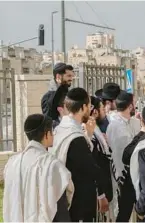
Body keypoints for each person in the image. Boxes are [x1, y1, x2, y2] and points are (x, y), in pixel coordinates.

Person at [50, 87, 109, 222]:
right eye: (89, 106)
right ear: (83, 107)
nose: (90, 109)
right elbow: (90, 167)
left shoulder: (60, 129)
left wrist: (88, 135)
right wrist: (102, 194)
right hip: (78, 200)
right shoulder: (75, 136)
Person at [3, 114, 73, 222]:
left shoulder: (12, 163)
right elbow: (60, 207)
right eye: (52, 131)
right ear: (46, 134)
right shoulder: (52, 165)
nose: (53, 134)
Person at [106, 90, 140, 219]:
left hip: (137, 170)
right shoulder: (115, 126)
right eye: (134, 103)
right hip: (124, 174)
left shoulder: (135, 122)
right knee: (125, 210)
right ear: (130, 106)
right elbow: (121, 152)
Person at [89, 96, 116, 222]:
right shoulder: (90, 133)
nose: (104, 111)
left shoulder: (96, 129)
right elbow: (95, 163)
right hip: (97, 192)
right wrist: (101, 194)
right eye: (101, 108)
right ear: (94, 112)